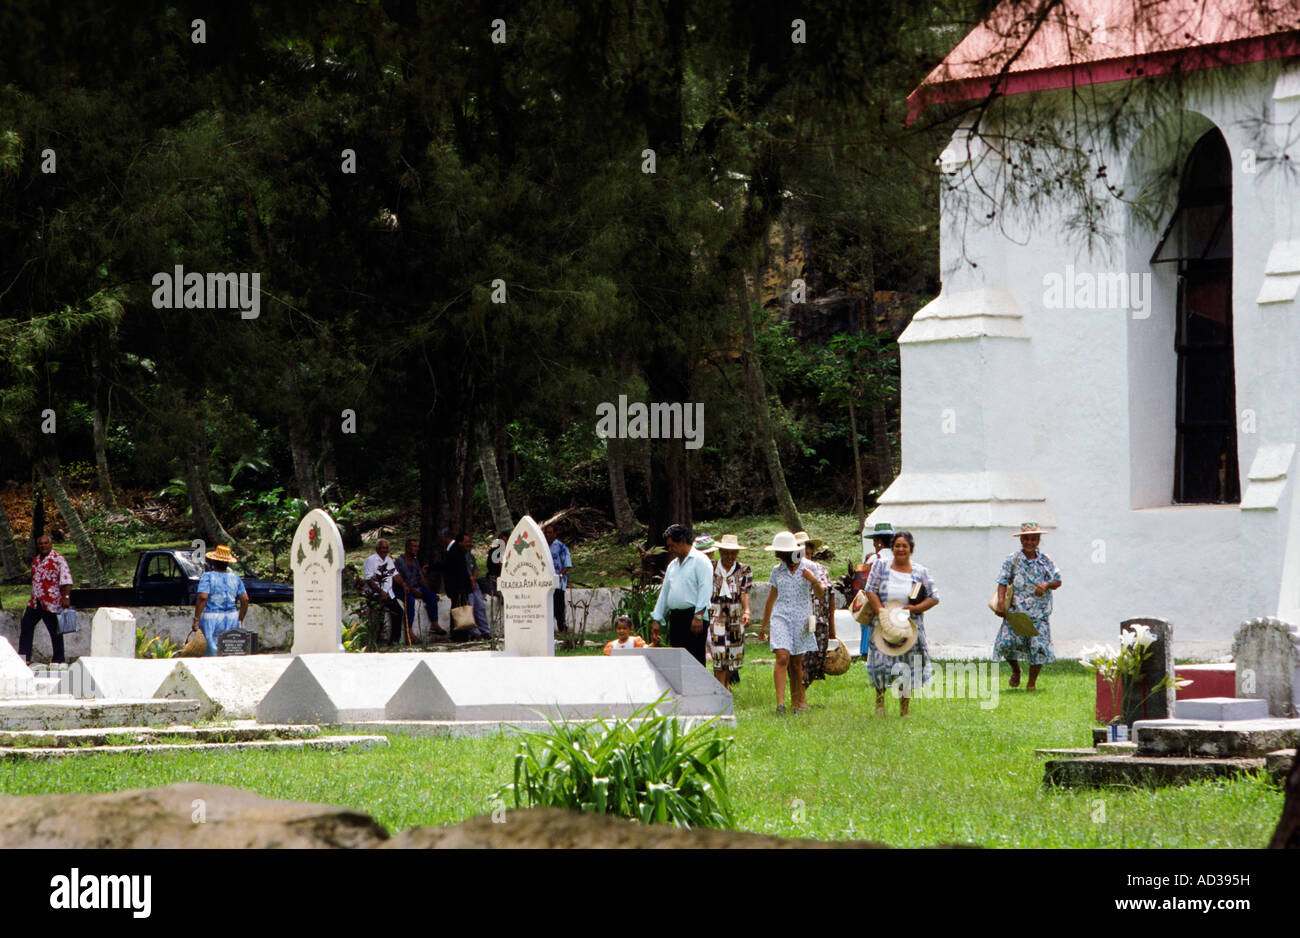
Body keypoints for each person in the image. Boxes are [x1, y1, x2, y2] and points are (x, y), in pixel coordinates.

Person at [864, 531, 939, 717]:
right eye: (897, 545)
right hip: (883, 624)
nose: (900, 549)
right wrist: (881, 611)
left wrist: (913, 609)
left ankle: (904, 710)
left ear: (911, 549)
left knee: (907, 667)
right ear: (892, 548)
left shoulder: (920, 572)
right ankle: (879, 704)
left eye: (904, 546)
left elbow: (934, 597)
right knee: (880, 665)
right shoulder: (881, 566)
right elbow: (870, 590)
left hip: (909, 626)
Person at [758, 531, 824, 714]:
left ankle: (797, 702)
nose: (779, 555)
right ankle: (780, 704)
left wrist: (813, 580)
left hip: (801, 618)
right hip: (781, 617)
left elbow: (820, 593)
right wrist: (764, 626)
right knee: (782, 657)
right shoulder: (777, 570)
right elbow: (771, 599)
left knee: (796, 663)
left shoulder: (809, 567)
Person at [993, 522, 1062, 691]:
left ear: (1038, 540)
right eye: (1026, 539)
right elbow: (1002, 581)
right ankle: (1016, 671)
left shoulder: (1045, 560)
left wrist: (1046, 584)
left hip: (1039, 613)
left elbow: (1057, 580)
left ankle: (1031, 683)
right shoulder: (1013, 559)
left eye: (1033, 539)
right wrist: (1001, 602)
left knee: (1038, 647)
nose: (1030, 542)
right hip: (1016, 611)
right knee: (1006, 643)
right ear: (1021, 540)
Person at [649, 524, 712, 665]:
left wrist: (698, 616)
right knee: (678, 661)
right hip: (676, 618)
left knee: (694, 660)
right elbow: (664, 594)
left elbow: (705, 590)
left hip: (694, 617)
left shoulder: (701, 561)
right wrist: (657, 618)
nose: (670, 549)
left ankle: (696, 687)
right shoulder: (673, 565)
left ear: (683, 541)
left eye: (672, 545)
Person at [704, 533, 752, 688]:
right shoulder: (710, 567)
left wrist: (747, 611)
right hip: (716, 614)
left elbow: (744, 592)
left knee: (734, 652)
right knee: (719, 651)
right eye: (726, 552)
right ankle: (721, 687)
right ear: (720, 552)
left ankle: (725, 684)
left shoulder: (744, 569)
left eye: (733, 553)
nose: (729, 556)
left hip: (735, 615)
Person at [18, 534, 72, 665]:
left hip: (51, 602)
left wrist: (66, 597)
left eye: (45, 543)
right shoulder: (36, 560)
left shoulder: (58, 560)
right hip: (35, 602)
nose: (43, 546)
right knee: (26, 626)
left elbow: (66, 580)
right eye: (41, 544)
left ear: (50, 544)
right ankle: (25, 658)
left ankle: (59, 659)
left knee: (55, 632)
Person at [794, 531, 836, 691]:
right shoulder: (791, 571)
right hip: (799, 621)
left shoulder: (821, 569)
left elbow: (830, 597)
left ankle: (801, 691)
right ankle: (799, 695)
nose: (806, 557)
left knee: (817, 659)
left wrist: (832, 626)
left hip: (820, 622)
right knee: (799, 659)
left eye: (809, 553)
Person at [191, 544, 249, 657]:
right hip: (232, 617)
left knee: (212, 653)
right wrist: (240, 618)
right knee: (231, 651)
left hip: (212, 618)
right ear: (227, 563)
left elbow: (203, 597)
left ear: (213, 562)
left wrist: (196, 619)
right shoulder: (235, 578)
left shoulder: (207, 577)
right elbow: (245, 599)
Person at [394, 539, 445, 640]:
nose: (417, 549)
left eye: (417, 546)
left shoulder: (415, 561)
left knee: (431, 596)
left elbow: (420, 578)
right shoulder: (399, 561)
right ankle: (409, 630)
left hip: (415, 587)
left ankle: (434, 624)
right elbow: (399, 579)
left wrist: (430, 592)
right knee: (410, 601)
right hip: (402, 589)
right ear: (407, 548)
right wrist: (412, 590)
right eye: (414, 546)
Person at [363, 538, 406, 646]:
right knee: (378, 616)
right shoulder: (370, 560)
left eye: (387, 548)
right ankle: (375, 641)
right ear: (377, 548)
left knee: (399, 612)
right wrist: (380, 591)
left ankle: (394, 640)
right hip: (376, 594)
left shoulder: (388, 560)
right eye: (383, 548)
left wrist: (404, 584)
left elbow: (395, 575)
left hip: (389, 594)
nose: (385, 550)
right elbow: (369, 579)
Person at [437, 528, 473, 641]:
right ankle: (460, 636)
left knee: (458, 611)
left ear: (446, 538)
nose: (440, 541)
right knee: (457, 610)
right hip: (457, 587)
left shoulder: (455, 549)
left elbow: (460, 570)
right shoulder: (453, 549)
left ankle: (458, 636)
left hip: (459, 587)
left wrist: (462, 588)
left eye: (441, 538)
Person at [544, 524, 572, 634]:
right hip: (545, 582)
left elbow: (567, 564)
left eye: (550, 532)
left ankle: (562, 629)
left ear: (555, 534)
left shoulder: (561, 547)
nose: (547, 535)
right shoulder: (543, 547)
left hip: (558, 583)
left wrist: (560, 575)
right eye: (546, 533)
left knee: (558, 607)